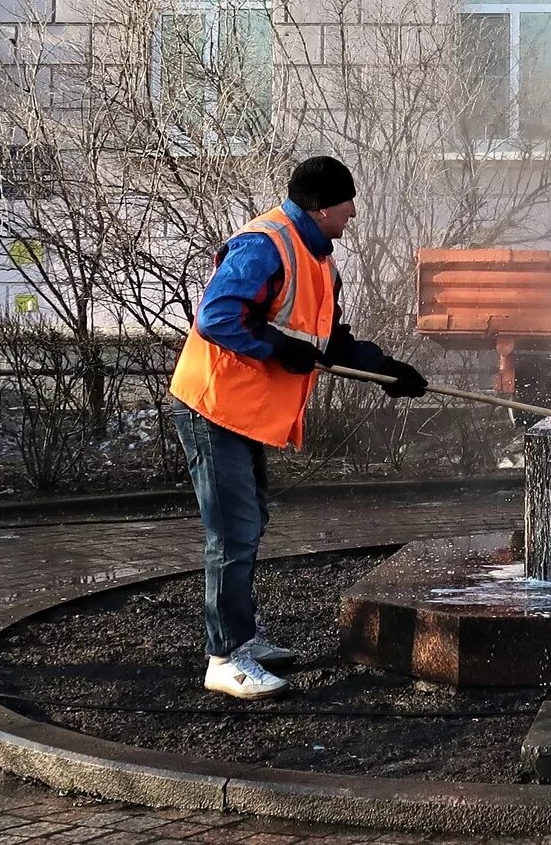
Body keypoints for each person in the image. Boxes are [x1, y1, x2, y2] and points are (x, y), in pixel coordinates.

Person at [168, 156, 428, 700]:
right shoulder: (267, 244)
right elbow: (216, 316)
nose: (354, 213)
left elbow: (331, 346)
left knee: (249, 522)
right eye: (349, 203)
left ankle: (242, 637)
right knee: (233, 532)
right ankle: (224, 658)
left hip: (244, 412)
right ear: (324, 205)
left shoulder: (320, 262)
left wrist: (387, 371)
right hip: (212, 407)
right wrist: (277, 348)